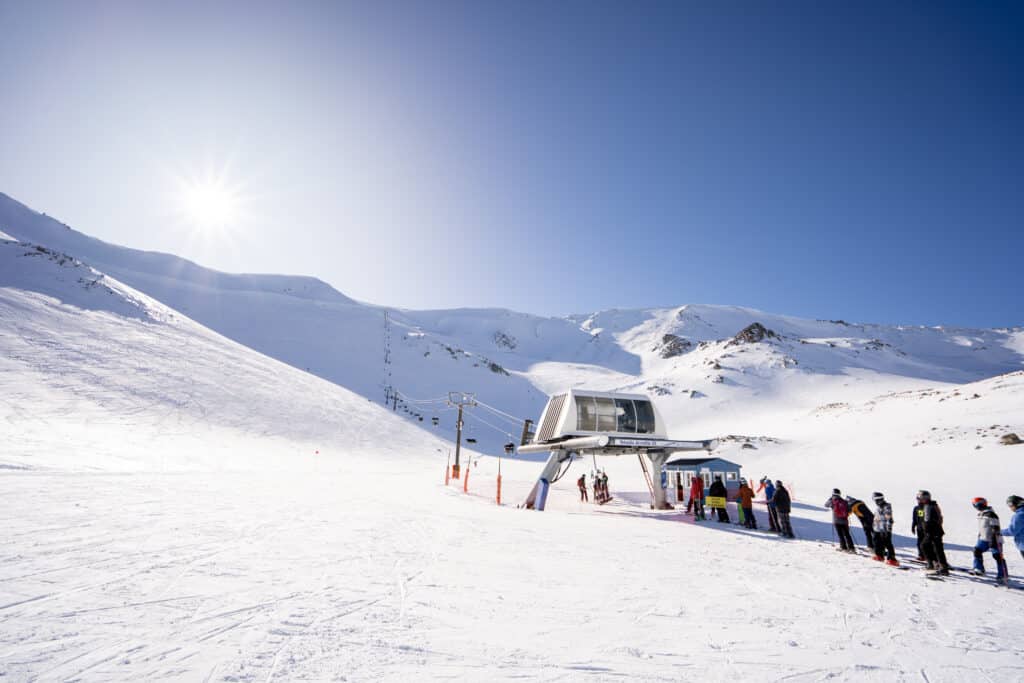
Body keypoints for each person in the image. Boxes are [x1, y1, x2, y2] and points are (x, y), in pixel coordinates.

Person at [970, 497, 1008, 584]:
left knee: (998, 556)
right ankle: (979, 569)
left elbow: (996, 527)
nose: (976, 506)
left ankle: (1003, 575)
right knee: (977, 551)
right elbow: (982, 527)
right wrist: (979, 535)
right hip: (983, 538)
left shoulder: (991, 514)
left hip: (994, 539)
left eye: (976, 504)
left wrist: (994, 539)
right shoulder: (981, 514)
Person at [914, 490, 950, 575]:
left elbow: (936, 519)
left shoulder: (931, 506)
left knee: (937, 549)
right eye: (918, 498)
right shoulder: (927, 506)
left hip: (935, 531)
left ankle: (943, 567)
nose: (919, 500)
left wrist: (931, 527)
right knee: (925, 546)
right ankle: (932, 563)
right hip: (931, 531)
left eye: (920, 498)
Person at [871, 492, 898, 566]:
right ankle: (879, 555)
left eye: (876, 500)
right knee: (877, 542)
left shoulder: (886, 507)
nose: (875, 502)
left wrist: (888, 528)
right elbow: (876, 517)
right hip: (877, 528)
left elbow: (889, 518)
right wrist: (874, 525)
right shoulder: (878, 507)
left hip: (884, 529)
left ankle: (892, 559)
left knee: (887, 543)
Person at [1004, 495, 1024, 560]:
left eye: (1010, 506)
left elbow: (1012, 531)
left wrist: (998, 531)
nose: (1010, 508)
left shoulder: (1019, 515)